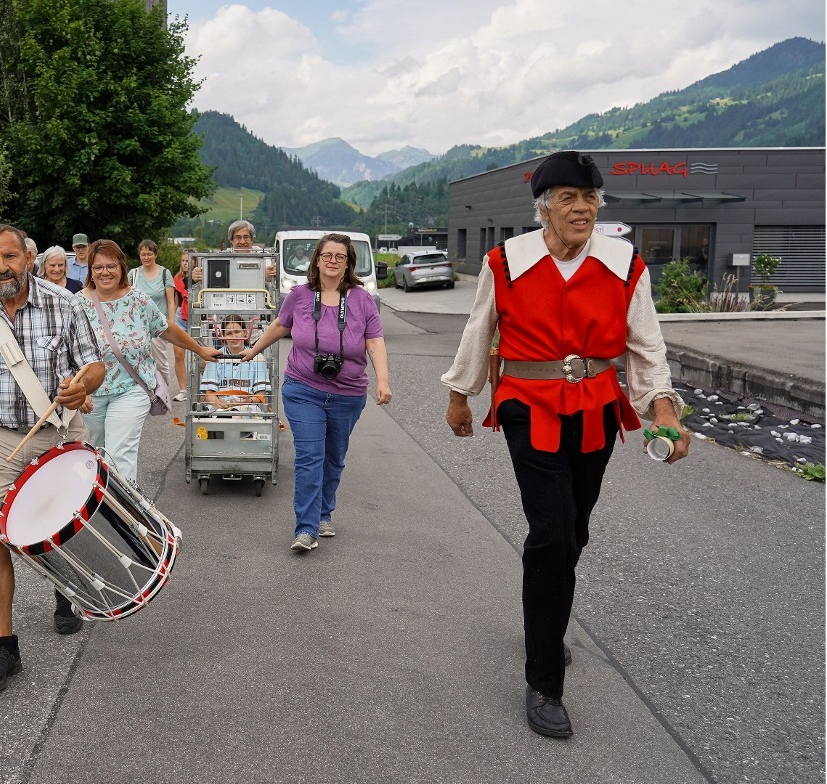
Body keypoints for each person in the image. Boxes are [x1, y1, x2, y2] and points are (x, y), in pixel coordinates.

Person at [440, 151, 690, 740]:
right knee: (551, 535)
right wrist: (460, 395)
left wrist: (662, 409)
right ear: (545, 209)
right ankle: (544, 680)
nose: (582, 209)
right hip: (528, 406)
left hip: (597, 408)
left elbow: (646, 343)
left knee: (574, 531)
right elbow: (480, 328)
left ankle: (546, 624)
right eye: (569, 199)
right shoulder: (506, 261)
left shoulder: (625, 263)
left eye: (590, 199)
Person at [0, 223, 105, 693]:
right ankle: (5, 647)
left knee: (67, 527)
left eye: (10, 257)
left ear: (28, 259)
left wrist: (81, 387)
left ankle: (64, 592)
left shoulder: (65, 304)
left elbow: (94, 365)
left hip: (58, 432)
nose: (2, 267)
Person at [241, 233, 391, 551]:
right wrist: (253, 350)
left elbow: (374, 341)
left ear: (349, 263)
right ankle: (306, 529)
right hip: (303, 388)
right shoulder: (299, 295)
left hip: (348, 393)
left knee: (333, 458)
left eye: (340, 256)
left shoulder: (362, 300)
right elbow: (281, 325)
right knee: (310, 457)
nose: (333, 261)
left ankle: (324, 512)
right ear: (317, 260)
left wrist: (383, 380)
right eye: (327, 255)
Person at [78, 240, 220, 482]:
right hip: (91, 393)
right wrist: (78, 389)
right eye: (98, 267)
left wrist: (199, 349)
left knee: (119, 455)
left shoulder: (139, 300)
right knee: (92, 454)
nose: (105, 272)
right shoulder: (76, 304)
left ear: (122, 267)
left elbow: (167, 329)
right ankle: (95, 501)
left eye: (111, 266)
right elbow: (65, 350)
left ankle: (123, 502)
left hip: (131, 389)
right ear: (90, 271)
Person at [128, 239, 178, 401]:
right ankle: (145, 394)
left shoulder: (165, 274)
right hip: (137, 326)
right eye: (143, 254)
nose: (146, 257)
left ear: (155, 254)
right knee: (139, 361)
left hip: (158, 326)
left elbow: (171, 301)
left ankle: (164, 391)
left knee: (160, 361)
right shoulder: (133, 274)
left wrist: (171, 323)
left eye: (149, 254)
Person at [201, 314, 270, 410]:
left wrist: (248, 401)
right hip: (221, 407)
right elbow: (209, 394)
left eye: (237, 332)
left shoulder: (257, 357)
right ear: (223, 336)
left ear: (245, 332)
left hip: (248, 407)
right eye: (229, 333)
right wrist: (217, 402)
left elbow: (261, 395)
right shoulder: (215, 357)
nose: (234, 337)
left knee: (237, 415)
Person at [191, 220, 276, 283]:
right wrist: (198, 275)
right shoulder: (221, 258)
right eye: (238, 237)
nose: (242, 242)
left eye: (246, 237)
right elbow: (208, 276)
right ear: (231, 241)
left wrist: (268, 274)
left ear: (252, 239)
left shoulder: (263, 256)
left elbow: (270, 275)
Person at [171, 249, 192, 401]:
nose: (185, 264)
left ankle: (205, 385)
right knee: (178, 354)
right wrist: (172, 321)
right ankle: (183, 389)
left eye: (188, 261)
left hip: (196, 316)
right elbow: (174, 301)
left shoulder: (200, 278)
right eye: (183, 260)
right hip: (181, 316)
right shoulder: (176, 279)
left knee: (201, 355)